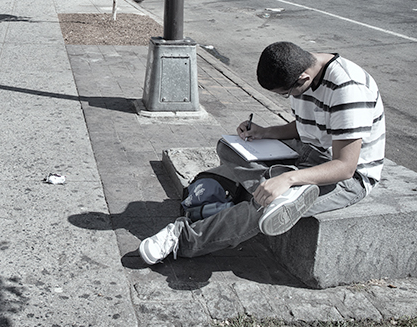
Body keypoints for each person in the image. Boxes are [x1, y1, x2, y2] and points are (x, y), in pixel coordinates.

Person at [139, 41, 385, 265]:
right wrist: (264, 132)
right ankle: (280, 187)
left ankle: (181, 239)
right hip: (307, 154)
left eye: (286, 93)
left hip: (346, 178)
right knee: (228, 146)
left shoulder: (348, 89)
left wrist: (287, 179)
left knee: (263, 205)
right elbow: (306, 127)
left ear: (302, 78)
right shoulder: (302, 69)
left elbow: (345, 166)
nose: (287, 98)